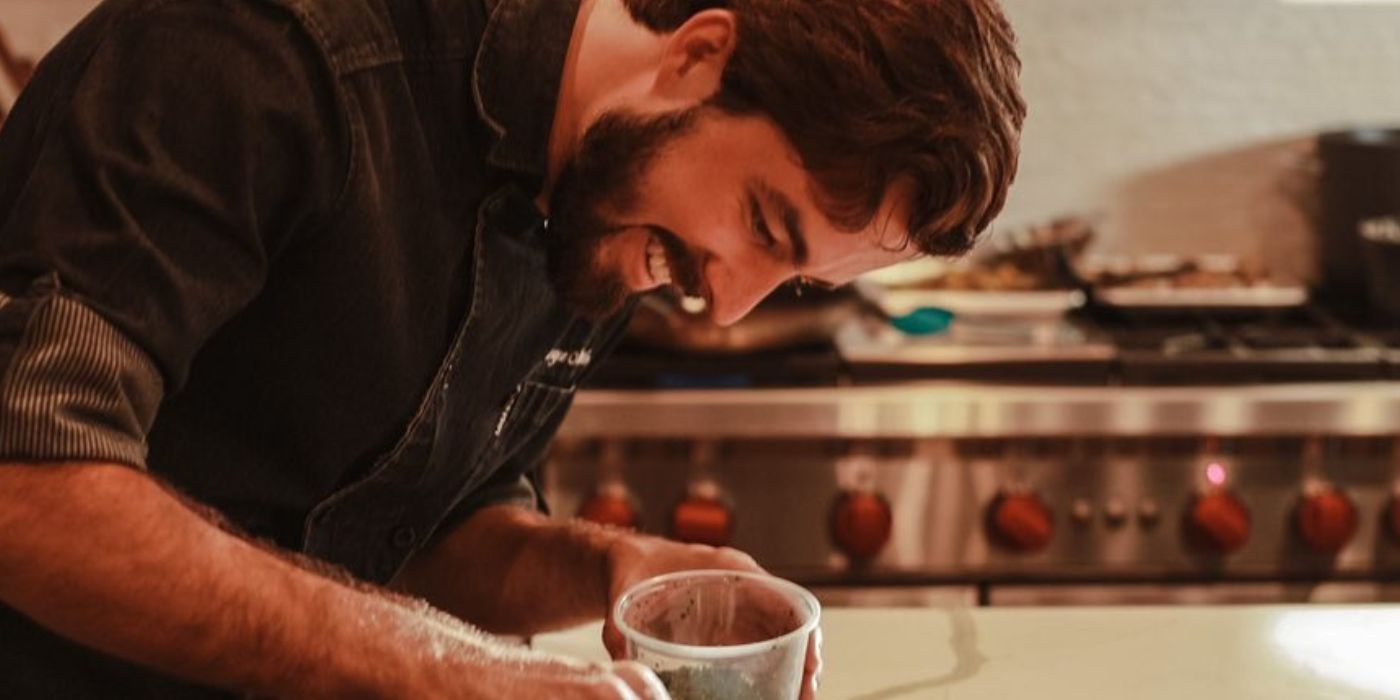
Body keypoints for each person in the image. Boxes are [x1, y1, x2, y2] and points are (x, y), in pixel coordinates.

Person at [0, 0, 1024, 696]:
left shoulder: (610, 197)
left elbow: (412, 529)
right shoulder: (271, 56)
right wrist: (444, 671)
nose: (726, 306)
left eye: (793, 278)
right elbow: (26, 488)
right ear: (698, 53)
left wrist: (604, 568)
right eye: (762, 222)